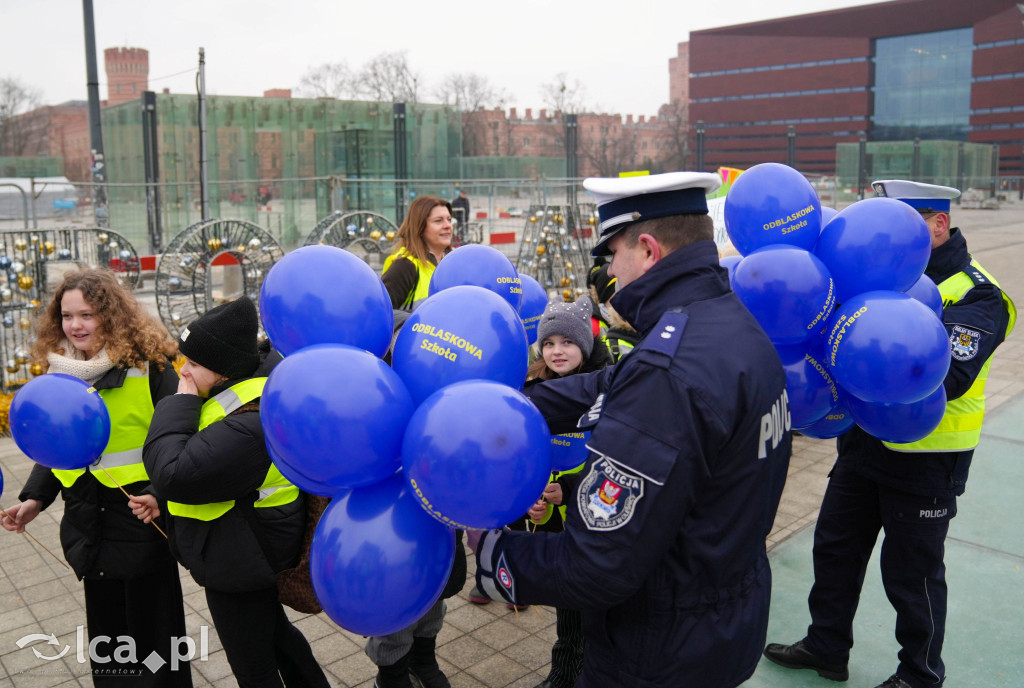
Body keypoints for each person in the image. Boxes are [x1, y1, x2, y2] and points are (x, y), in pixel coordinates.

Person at [470, 171, 792, 687]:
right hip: (724, 618)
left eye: (610, 255)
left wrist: (490, 550)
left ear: (646, 250)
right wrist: (509, 402)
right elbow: (616, 388)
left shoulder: (669, 368)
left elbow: (596, 566)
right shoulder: (727, 322)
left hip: (658, 648)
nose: (610, 273)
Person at [763, 180, 1016, 688]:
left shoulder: (978, 293)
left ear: (938, 225)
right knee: (834, 549)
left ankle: (920, 673)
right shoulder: (876, 275)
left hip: (927, 457)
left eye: (902, 222)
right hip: (862, 444)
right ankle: (827, 646)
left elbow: (949, 372)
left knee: (913, 574)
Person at [0, 268, 191, 687]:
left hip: (143, 522)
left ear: (110, 315)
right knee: (110, 654)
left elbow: (183, 435)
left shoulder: (150, 364)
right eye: (67, 316)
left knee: (159, 650)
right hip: (88, 527)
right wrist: (35, 499)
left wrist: (160, 493)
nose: (75, 325)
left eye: (86, 314)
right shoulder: (59, 374)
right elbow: (56, 447)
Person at [141, 298, 330, 688]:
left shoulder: (250, 421)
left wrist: (179, 404)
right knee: (278, 639)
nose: (184, 371)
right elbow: (205, 466)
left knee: (253, 666)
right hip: (245, 548)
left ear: (223, 369)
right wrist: (157, 496)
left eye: (193, 364)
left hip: (240, 557)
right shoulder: (239, 396)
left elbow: (175, 472)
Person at [523, 297, 614, 688]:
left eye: (567, 342)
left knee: (600, 599)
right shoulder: (533, 387)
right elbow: (518, 458)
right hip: (555, 519)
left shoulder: (611, 388)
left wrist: (572, 488)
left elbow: (623, 462)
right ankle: (566, 668)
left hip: (601, 514)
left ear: (585, 345)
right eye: (549, 343)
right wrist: (530, 502)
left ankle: (594, 668)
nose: (556, 351)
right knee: (567, 596)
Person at [382, 196, 454, 310]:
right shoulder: (404, 266)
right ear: (419, 227)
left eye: (449, 220)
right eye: (438, 221)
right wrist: (418, 317)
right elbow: (382, 313)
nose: (448, 226)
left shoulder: (455, 264)